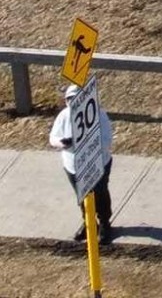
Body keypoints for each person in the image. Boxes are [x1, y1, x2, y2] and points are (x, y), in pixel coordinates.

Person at [48, 82, 113, 246]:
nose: (73, 102)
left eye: (77, 99)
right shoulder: (64, 116)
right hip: (73, 167)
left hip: (99, 164)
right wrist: (63, 143)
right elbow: (53, 138)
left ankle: (104, 222)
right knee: (82, 197)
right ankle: (89, 224)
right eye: (70, 99)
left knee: (100, 194)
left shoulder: (99, 114)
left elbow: (106, 140)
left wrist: (85, 145)